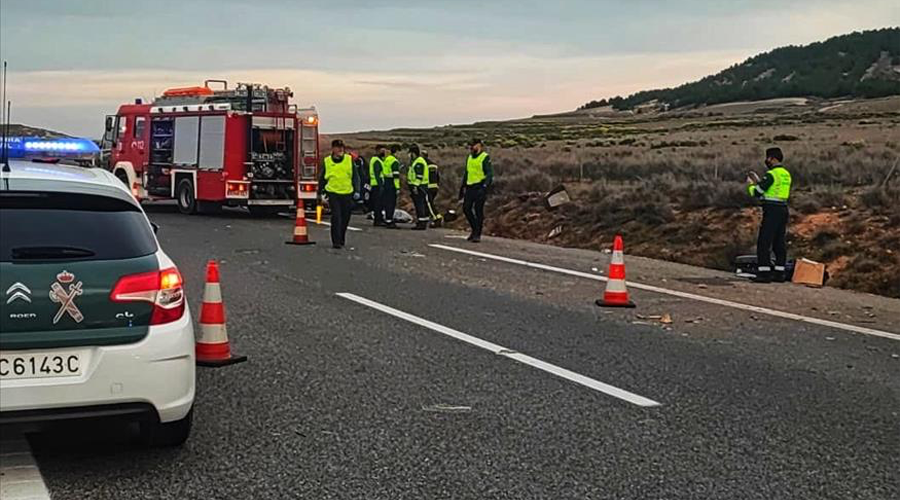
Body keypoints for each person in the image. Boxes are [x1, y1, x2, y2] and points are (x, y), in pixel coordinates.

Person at [747, 147, 792, 283]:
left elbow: (757, 192)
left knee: (764, 242)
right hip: (783, 209)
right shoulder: (786, 174)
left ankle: (764, 273)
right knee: (779, 242)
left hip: (772, 210)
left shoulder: (771, 174)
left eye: (768, 158)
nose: (766, 161)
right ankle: (779, 273)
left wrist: (750, 185)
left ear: (772, 158)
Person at [318, 139, 360, 249]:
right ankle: (335, 241)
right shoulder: (328, 161)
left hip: (347, 193)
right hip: (333, 193)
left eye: (342, 147)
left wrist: (357, 190)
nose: (340, 149)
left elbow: (355, 177)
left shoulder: (348, 160)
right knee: (336, 217)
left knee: (345, 218)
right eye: (337, 147)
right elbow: (322, 178)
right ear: (333, 149)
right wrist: (319, 192)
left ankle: (341, 238)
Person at [459, 138, 493, 242]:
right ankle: (474, 229)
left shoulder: (484, 157)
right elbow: (467, 172)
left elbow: (489, 173)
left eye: (473, 145)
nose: (471, 147)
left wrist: (485, 186)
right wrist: (462, 186)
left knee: (479, 211)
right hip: (470, 187)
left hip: (480, 186)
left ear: (479, 145)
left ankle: (477, 234)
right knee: (466, 208)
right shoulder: (469, 157)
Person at [406, 144, 430, 230]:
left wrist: (415, 186)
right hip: (418, 186)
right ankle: (421, 221)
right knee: (420, 204)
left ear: (414, 153)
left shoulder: (419, 162)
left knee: (420, 204)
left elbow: (419, 176)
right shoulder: (416, 161)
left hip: (420, 186)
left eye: (410, 153)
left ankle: (422, 222)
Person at [381, 145, 401, 228]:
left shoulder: (387, 159)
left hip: (385, 182)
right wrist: (397, 188)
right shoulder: (394, 162)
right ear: (396, 152)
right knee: (391, 203)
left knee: (387, 202)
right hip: (391, 184)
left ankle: (387, 219)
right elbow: (396, 176)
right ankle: (390, 221)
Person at [368, 145, 387, 226]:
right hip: (377, 185)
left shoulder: (378, 160)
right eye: (382, 151)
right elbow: (377, 174)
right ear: (377, 151)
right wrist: (381, 185)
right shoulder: (376, 161)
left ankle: (379, 219)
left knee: (379, 203)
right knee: (378, 204)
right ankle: (378, 220)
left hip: (376, 184)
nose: (383, 153)